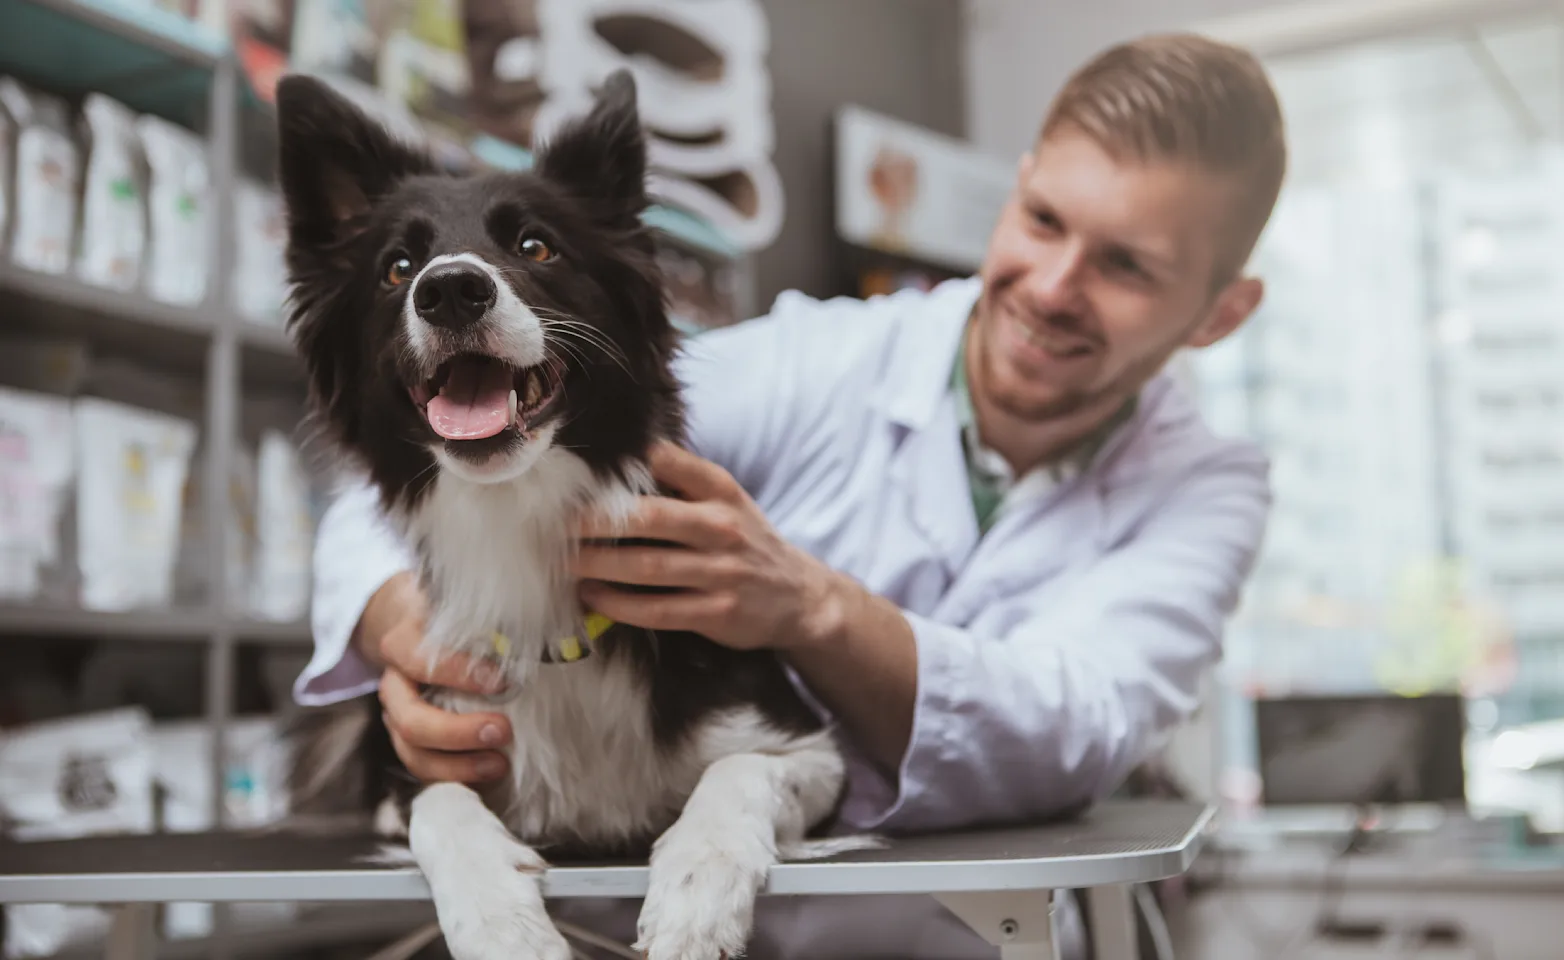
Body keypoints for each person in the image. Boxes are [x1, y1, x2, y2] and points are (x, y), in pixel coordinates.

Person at [294, 31, 1286, 960]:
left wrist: (812, 607)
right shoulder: (821, 354)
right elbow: (408, 486)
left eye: (1124, 265)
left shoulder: (1209, 487)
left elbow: (1077, 728)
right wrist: (399, 622)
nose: (1054, 285)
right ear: (1015, 191)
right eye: (1043, 221)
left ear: (1220, 313)